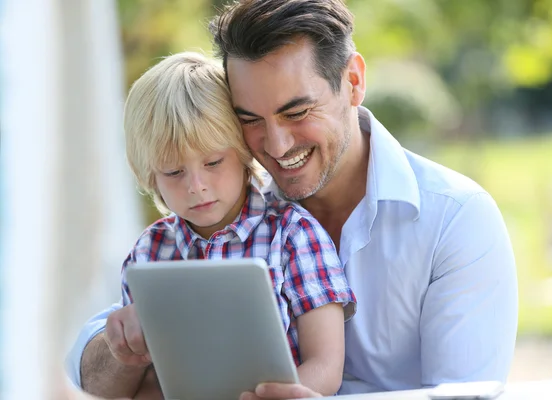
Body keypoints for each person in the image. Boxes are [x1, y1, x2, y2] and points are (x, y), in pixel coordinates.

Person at [67, 0, 518, 398]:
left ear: (354, 82)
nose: (278, 146)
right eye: (250, 119)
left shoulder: (456, 220)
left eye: (297, 112)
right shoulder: (208, 220)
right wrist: (121, 340)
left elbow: (463, 397)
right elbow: (96, 374)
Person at [70, 51, 356, 399]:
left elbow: (326, 365)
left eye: (213, 162)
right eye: (174, 172)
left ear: (243, 151)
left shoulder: (294, 234)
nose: (196, 186)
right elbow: (129, 386)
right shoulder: (150, 251)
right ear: (149, 177)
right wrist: (126, 348)